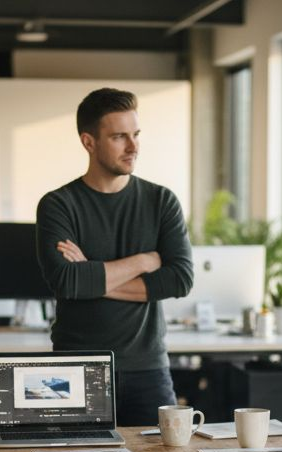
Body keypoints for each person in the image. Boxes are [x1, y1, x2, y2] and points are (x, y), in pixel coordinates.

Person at [36, 87, 194, 426]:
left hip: (148, 369)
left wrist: (91, 278)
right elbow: (66, 280)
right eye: (120, 137)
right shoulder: (58, 204)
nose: (134, 147)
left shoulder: (161, 201)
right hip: (74, 370)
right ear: (88, 142)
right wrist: (144, 261)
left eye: (136, 134)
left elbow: (179, 279)